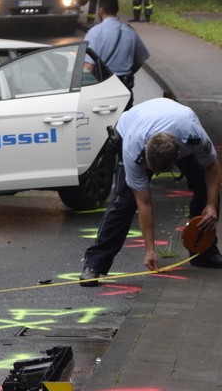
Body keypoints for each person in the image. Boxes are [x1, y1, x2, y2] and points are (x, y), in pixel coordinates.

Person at [79, 97, 222, 286]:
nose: (153, 175)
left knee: (205, 187)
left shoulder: (193, 137)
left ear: (177, 157)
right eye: (151, 169)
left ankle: (204, 251)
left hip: (178, 126)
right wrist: (150, 249)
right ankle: (94, 264)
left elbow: (212, 167)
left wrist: (211, 206)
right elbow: (144, 202)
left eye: (158, 172)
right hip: (132, 126)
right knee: (124, 201)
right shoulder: (133, 148)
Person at [83, 0, 149, 104]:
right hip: (124, 85)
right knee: (125, 118)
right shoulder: (130, 31)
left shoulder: (95, 32)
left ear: (100, 10)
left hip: (102, 87)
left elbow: (88, 65)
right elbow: (140, 60)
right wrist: (128, 72)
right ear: (117, 9)